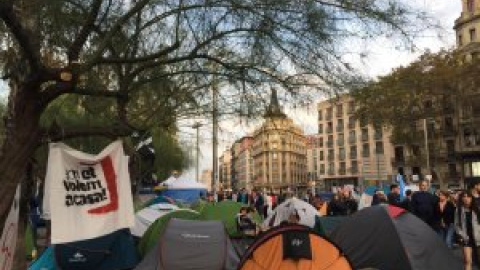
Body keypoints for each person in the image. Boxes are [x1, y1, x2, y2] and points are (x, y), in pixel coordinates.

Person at [455, 191, 480, 270]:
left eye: (468, 197)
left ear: (472, 198)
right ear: (461, 199)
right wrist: (461, 234)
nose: (466, 198)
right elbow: (457, 225)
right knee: (467, 261)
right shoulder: (458, 210)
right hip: (466, 239)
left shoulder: (477, 209)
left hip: (478, 238)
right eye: (464, 197)